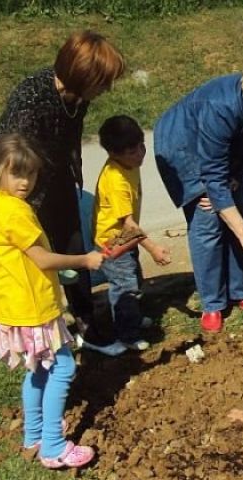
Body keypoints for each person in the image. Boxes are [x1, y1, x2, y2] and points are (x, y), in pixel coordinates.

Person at [0, 30, 126, 357]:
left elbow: (69, 137)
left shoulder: (77, 96)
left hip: (53, 176)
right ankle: (37, 335)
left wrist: (72, 176)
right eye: (103, 82)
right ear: (82, 76)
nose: (107, 89)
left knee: (72, 242)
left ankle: (87, 327)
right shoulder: (31, 102)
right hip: (18, 188)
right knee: (37, 261)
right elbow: (10, 163)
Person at [0, 134, 104, 468]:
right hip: (34, 309)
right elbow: (43, 259)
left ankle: (33, 434)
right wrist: (85, 260)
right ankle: (53, 447)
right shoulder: (15, 211)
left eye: (30, 173)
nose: (25, 182)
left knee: (38, 370)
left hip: (12, 306)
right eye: (16, 173)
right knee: (63, 368)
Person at [154, 55, 243, 334]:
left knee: (237, 209)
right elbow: (212, 173)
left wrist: (238, 175)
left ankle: (238, 289)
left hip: (226, 149)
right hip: (184, 147)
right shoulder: (219, 108)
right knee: (208, 221)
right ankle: (213, 302)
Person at [93, 115, 172, 351]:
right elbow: (129, 225)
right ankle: (127, 335)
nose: (139, 154)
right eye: (132, 152)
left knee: (133, 277)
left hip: (125, 238)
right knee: (125, 286)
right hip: (113, 240)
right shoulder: (116, 180)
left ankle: (133, 318)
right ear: (113, 154)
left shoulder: (128, 165)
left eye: (141, 146)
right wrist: (153, 249)